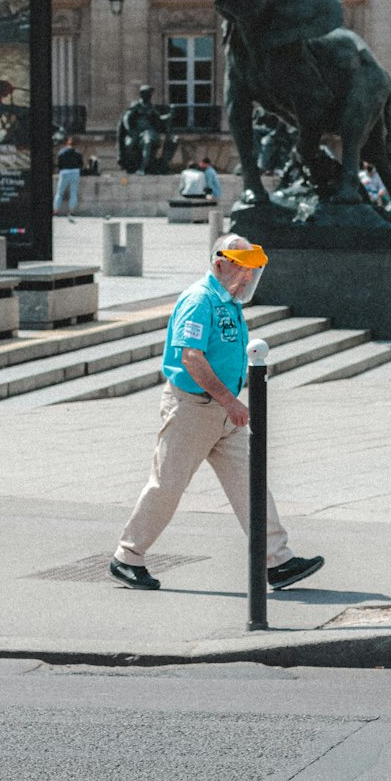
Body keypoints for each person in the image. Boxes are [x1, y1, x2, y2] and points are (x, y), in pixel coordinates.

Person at [109, 234, 325, 592]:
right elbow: (190, 357)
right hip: (194, 409)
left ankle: (278, 560)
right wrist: (229, 400)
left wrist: (228, 404)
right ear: (220, 264)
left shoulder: (229, 302)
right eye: (242, 272)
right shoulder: (200, 300)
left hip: (223, 413)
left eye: (251, 275)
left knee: (251, 485)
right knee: (167, 485)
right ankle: (127, 557)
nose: (247, 281)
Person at [55, 136, 83, 220]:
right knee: (73, 192)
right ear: (76, 144)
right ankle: (71, 211)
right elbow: (81, 164)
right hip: (75, 172)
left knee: (59, 193)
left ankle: (56, 210)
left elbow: (59, 164)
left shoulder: (61, 152)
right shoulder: (78, 153)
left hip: (64, 172)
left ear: (67, 143)